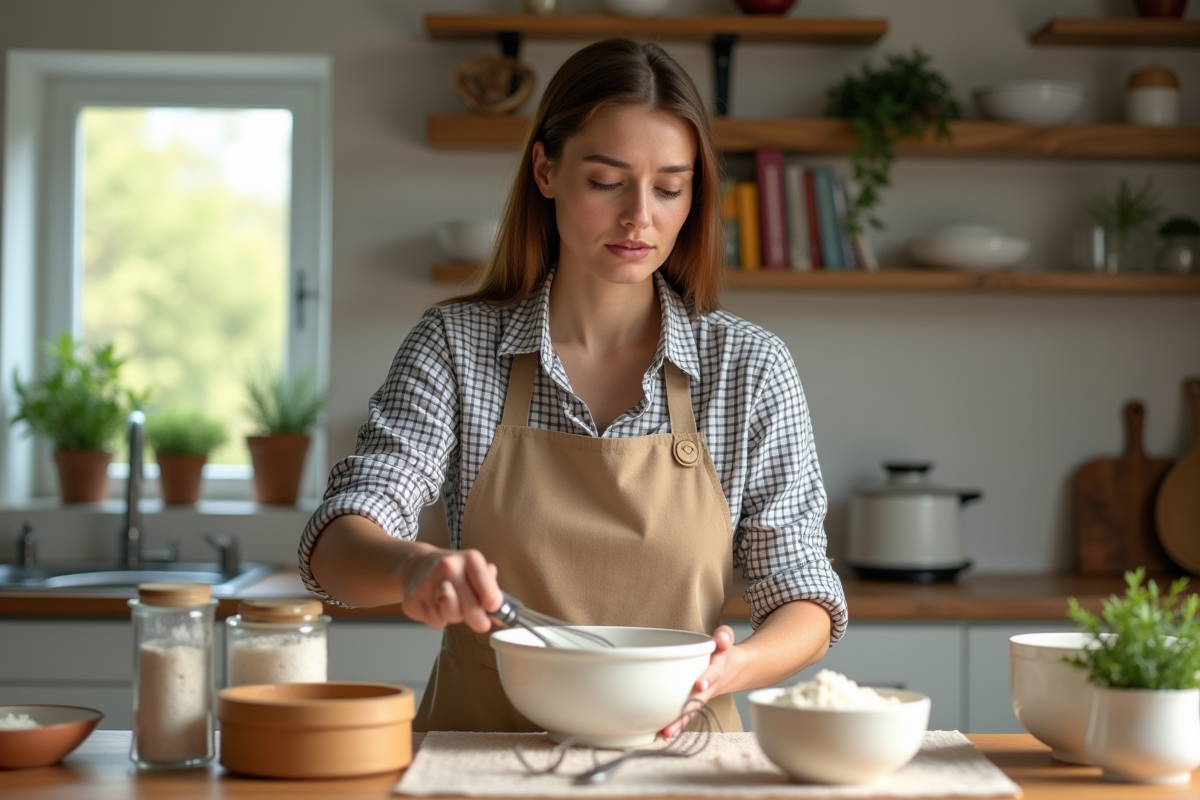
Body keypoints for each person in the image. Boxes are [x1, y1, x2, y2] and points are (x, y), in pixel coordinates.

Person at [300, 37, 846, 736]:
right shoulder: (456, 347)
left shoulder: (749, 368)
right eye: (606, 180)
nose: (639, 216)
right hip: (482, 759)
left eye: (670, 187)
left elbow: (804, 594)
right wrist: (412, 570)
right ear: (546, 170)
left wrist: (733, 668)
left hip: (679, 764)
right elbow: (338, 544)